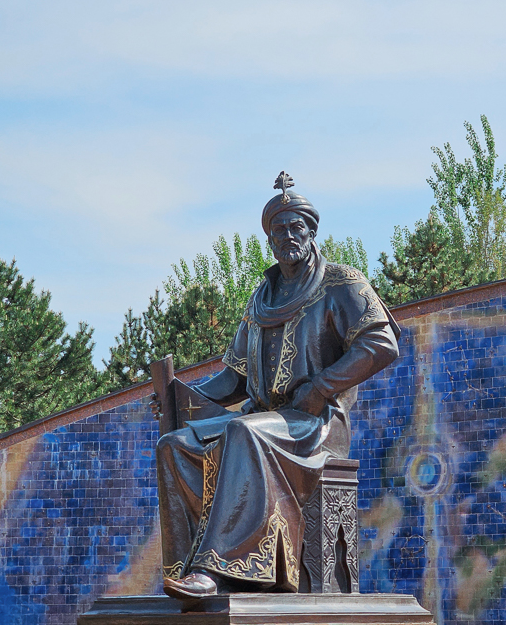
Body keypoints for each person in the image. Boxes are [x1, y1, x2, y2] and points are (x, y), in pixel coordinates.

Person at [156, 176, 400, 600]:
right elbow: (233, 379)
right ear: (268, 239)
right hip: (266, 419)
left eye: (295, 228)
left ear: (311, 232)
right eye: (278, 230)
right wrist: (178, 394)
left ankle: (221, 569)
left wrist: (324, 386)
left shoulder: (341, 283)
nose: (288, 236)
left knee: (243, 431)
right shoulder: (259, 300)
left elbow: (382, 344)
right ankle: (183, 569)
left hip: (316, 422)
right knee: (174, 445)